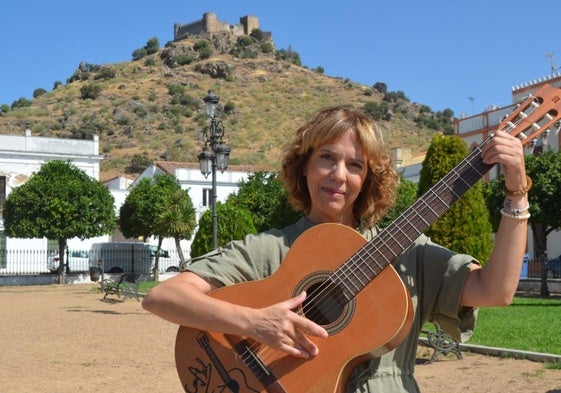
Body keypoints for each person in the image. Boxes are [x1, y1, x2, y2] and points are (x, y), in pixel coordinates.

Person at [142, 105, 529, 392]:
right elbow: (163, 297)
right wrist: (255, 323)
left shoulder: (410, 254)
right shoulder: (270, 249)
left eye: (355, 165)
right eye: (327, 157)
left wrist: (516, 192)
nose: (338, 175)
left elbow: (496, 290)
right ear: (304, 167)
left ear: (368, 179)